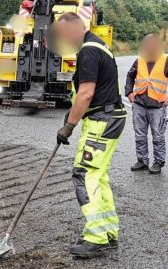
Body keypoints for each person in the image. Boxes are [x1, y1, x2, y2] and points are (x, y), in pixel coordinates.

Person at [52, 12, 126, 258]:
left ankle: (95, 238)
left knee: (84, 174)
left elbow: (86, 93)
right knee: (99, 176)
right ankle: (108, 231)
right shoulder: (99, 45)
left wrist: (69, 126)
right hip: (111, 117)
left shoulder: (88, 50)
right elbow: (87, 96)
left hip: (102, 120)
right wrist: (73, 115)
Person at [125, 34, 168, 174]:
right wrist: (129, 93)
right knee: (140, 135)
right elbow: (130, 76)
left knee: (158, 136)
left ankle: (158, 162)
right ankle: (142, 161)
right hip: (139, 104)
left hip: (157, 106)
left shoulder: (166, 61)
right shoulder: (140, 60)